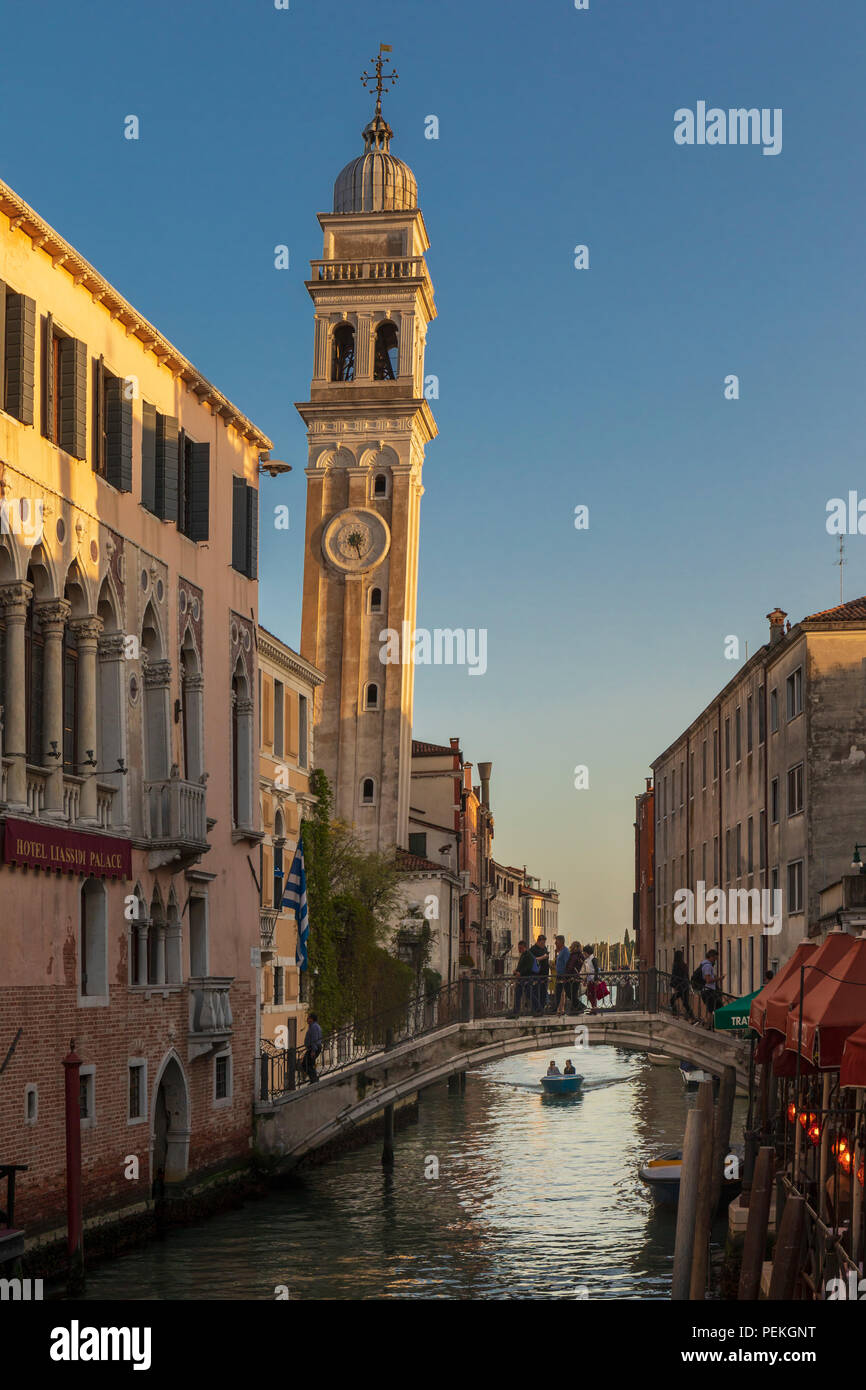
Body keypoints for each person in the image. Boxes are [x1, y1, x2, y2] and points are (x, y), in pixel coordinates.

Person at [511, 939, 536, 1015]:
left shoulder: (529, 955)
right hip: (521, 979)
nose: (519, 950)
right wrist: (516, 972)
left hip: (526, 978)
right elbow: (521, 966)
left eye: (520, 948)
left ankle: (538, 1009)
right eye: (518, 948)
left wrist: (520, 973)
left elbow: (529, 967)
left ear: (525, 947)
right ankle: (516, 1012)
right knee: (518, 994)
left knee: (529, 994)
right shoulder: (523, 955)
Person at [698, 949, 722, 1018]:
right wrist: (719, 979)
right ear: (711, 957)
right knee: (712, 1009)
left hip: (707, 990)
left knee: (713, 1008)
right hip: (708, 991)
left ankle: (710, 1025)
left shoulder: (704, 965)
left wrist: (714, 977)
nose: (715, 961)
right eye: (715, 959)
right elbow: (708, 980)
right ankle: (709, 1025)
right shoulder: (707, 966)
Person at [670, 948, 694, 1020]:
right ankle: (691, 1016)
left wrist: (673, 986)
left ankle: (675, 1013)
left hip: (679, 986)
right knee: (685, 1003)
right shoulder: (684, 965)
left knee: (672, 1000)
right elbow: (687, 976)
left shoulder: (676, 965)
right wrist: (689, 985)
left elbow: (674, 976)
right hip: (685, 986)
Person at [531, 935, 550, 1014]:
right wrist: (543, 957)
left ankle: (542, 1009)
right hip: (537, 975)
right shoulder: (533, 949)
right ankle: (536, 1010)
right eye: (542, 943)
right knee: (536, 993)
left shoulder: (544, 948)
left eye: (544, 943)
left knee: (543, 993)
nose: (543, 944)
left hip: (544, 975)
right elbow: (532, 959)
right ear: (539, 941)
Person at [303, 1012, 323, 1083]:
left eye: (308, 1018)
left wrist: (313, 1051)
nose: (307, 1019)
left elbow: (314, 1039)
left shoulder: (314, 1027)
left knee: (306, 1064)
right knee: (309, 1064)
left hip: (314, 1048)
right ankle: (314, 1079)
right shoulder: (313, 1026)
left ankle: (314, 1079)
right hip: (313, 1048)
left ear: (311, 1019)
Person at [566, 941, 585, 1013]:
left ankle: (579, 1006)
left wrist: (567, 973)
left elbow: (571, 966)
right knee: (573, 994)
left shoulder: (574, 955)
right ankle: (576, 1008)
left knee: (570, 993)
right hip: (576, 976)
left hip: (572, 976)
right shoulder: (580, 955)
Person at [554, 934, 570, 1014]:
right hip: (559, 975)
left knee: (561, 992)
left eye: (556, 941)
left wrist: (565, 975)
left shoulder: (565, 951)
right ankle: (558, 1009)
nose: (555, 943)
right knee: (559, 992)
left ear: (560, 942)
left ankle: (561, 1009)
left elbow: (567, 963)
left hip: (563, 975)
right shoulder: (560, 951)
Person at [582, 943, 600, 1014]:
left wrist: (596, 979)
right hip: (589, 980)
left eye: (584, 953)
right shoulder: (588, 960)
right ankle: (594, 1007)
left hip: (593, 980)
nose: (584, 954)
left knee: (592, 994)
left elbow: (596, 969)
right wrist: (585, 979)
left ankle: (594, 1008)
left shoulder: (593, 959)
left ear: (587, 952)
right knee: (589, 993)